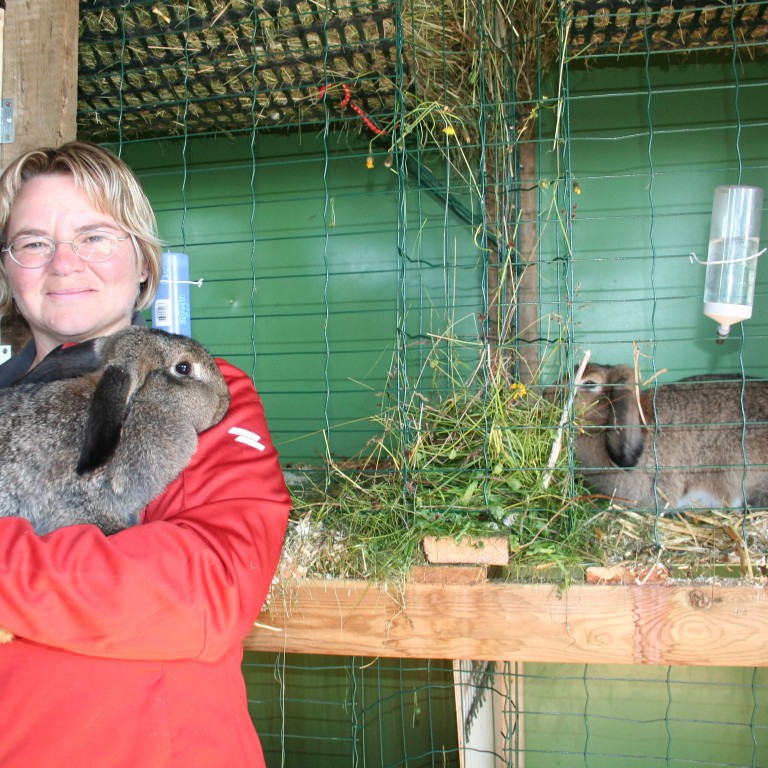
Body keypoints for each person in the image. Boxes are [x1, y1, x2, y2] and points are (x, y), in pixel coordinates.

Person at [0, 141, 291, 767]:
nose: (63, 264)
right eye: (33, 243)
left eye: (95, 237)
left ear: (142, 263)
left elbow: (201, 591)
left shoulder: (202, 393)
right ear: (8, 269)